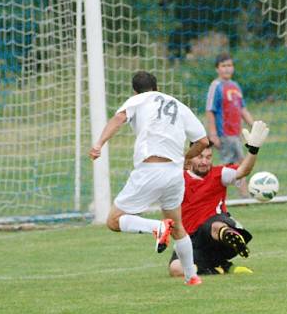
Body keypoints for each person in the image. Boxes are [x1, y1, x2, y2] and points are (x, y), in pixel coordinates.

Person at [89, 71, 209, 286]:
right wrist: (187, 157)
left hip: (150, 170)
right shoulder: (178, 105)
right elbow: (202, 141)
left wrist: (99, 144)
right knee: (178, 226)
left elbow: (119, 118)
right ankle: (192, 277)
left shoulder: (137, 100)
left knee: (113, 221)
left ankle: (156, 228)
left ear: (134, 91)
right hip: (174, 174)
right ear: (157, 87)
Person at [169, 120, 270, 278]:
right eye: (200, 157)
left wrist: (253, 150)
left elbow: (244, 170)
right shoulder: (177, 178)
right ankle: (219, 267)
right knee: (176, 269)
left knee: (215, 226)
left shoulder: (219, 174)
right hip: (191, 238)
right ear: (190, 156)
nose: (204, 161)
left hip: (216, 231)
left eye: (208, 157)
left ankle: (232, 239)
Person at [205, 52, 254, 196]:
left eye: (230, 65)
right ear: (217, 69)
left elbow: (242, 108)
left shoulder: (235, 86)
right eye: (223, 66)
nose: (227, 69)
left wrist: (253, 125)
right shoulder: (216, 86)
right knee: (227, 167)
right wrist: (213, 134)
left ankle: (244, 197)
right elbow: (210, 110)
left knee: (241, 164)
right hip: (223, 134)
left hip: (235, 134)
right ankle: (213, 194)